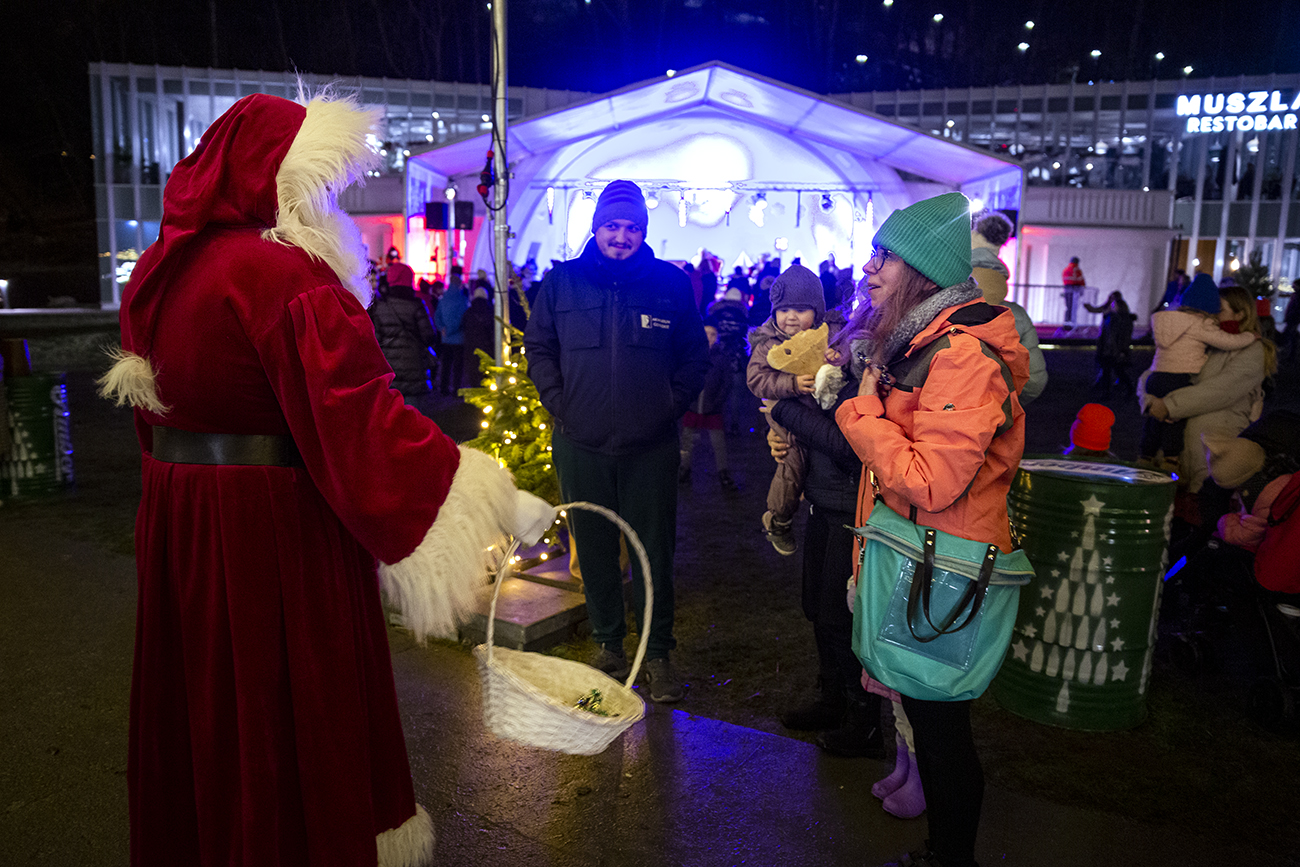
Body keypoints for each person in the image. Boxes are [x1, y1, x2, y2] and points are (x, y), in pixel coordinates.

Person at [96, 91, 553, 867]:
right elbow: (360, 419)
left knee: (206, 707)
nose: (330, 200)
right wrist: (490, 493)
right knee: (286, 706)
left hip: (187, 527)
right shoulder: (283, 276)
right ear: (280, 176)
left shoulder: (165, 272)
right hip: (273, 536)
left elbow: (155, 421)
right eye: (322, 182)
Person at [835, 192, 1030, 867]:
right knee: (929, 721)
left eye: (882, 257)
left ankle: (951, 857)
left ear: (918, 271)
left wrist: (861, 416)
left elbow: (931, 481)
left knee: (942, 730)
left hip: (947, 569)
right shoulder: (923, 343)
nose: (868, 268)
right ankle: (944, 851)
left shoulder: (963, 357)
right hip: (921, 557)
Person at [524, 179, 709, 704]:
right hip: (580, 441)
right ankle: (608, 644)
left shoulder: (669, 285)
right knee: (594, 548)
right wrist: (559, 401)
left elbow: (694, 356)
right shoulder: (563, 283)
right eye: (612, 226)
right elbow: (539, 347)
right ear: (596, 227)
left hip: (650, 446)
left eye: (631, 227)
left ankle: (657, 653)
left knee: (653, 553)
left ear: (643, 232)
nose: (621, 236)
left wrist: (667, 406)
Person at [765, 286, 885, 760]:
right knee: (818, 608)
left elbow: (846, 442)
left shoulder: (871, 362)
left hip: (850, 507)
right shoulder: (837, 352)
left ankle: (863, 720)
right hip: (823, 499)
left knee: (841, 616)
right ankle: (832, 698)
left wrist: (783, 410)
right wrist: (784, 435)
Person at [746, 263, 841, 556]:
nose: (790, 317)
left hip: (824, 419)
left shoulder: (830, 334)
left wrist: (837, 357)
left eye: (800, 310)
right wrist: (791, 384)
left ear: (817, 311)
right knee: (792, 466)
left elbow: (847, 359)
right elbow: (756, 379)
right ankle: (778, 518)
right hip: (787, 420)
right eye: (783, 309)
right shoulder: (768, 344)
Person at [1138, 274, 1259, 472]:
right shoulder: (1204, 331)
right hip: (1185, 450)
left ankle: (1147, 455)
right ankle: (1166, 459)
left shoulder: (1252, 351)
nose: (1215, 316)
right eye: (1214, 310)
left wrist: (1165, 406)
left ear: (1240, 314)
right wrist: (1151, 402)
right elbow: (1148, 374)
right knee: (1169, 425)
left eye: (1220, 310)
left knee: (1157, 425)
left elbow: (1221, 391)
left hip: (1209, 453)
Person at [969, 211, 1048, 404]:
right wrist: (1003, 405)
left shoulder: (937, 303)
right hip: (994, 414)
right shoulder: (1016, 314)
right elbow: (1034, 381)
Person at [368, 258, 438, 415]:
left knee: (391, 416)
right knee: (414, 417)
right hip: (415, 367)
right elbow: (429, 336)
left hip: (390, 369)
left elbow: (377, 340)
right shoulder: (417, 305)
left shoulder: (381, 306)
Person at [679, 320, 736, 490]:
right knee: (687, 441)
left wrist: (717, 403)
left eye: (713, 334)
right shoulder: (691, 355)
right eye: (706, 334)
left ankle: (723, 472)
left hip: (713, 407)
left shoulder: (721, 358)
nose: (709, 338)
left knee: (718, 443)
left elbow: (727, 383)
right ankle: (684, 469)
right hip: (693, 406)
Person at [1083, 290, 1136, 396]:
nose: (1112, 306)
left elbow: (1118, 336)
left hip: (1113, 349)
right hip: (1110, 349)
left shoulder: (1118, 319)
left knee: (1116, 371)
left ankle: (1124, 389)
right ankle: (1108, 391)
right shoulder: (1112, 317)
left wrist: (1121, 349)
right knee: (1110, 371)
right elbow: (1107, 335)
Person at [434, 264, 468, 393]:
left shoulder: (443, 299)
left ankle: (444, 388)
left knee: (446, 364)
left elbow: (437, 316)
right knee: (458, 366)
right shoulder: (462, 300)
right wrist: (451, 330)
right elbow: (461, 318)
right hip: (458, 338)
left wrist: (442, 329)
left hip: (445, 338)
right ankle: (456, 389)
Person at [1061, 255, 1086, 328]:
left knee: (1068, 307)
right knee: (1073, 308)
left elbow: (1065, 280)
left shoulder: (1066, 269)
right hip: (1075, 290)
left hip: (1067, 289)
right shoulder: (1076, 270)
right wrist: (1083, 287)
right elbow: (1080, 280)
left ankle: (1066, 322)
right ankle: (1071, 323)